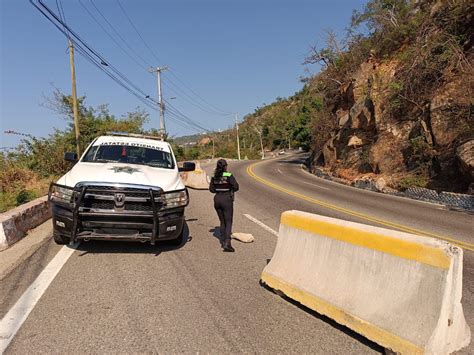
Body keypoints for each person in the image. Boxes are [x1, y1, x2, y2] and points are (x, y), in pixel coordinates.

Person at [209, 159, 239, 252]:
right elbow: (236, 187)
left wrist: (219, 189)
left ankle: (223, 239)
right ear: (225, 166)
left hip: (217, 199)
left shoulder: (214, 176)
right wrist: (228, 189)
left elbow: (211, 189)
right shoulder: (228, 175)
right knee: (228, 221)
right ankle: (227, 243)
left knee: (222, 221)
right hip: (226, 199)